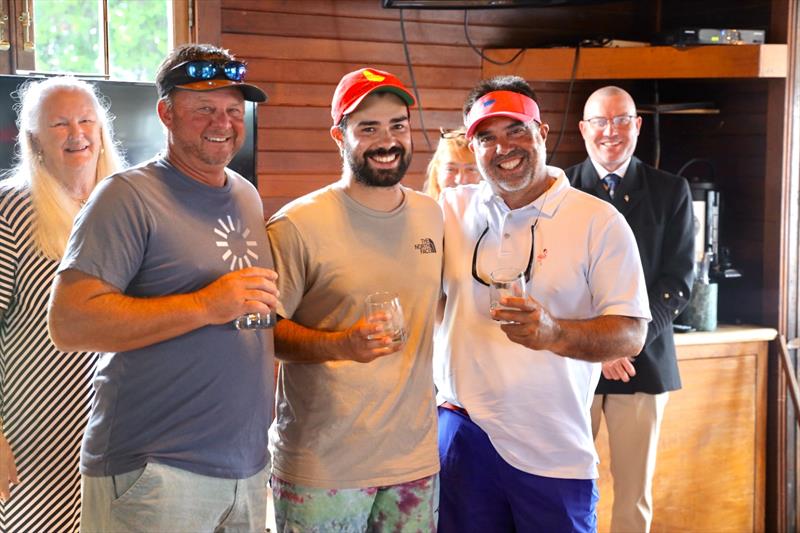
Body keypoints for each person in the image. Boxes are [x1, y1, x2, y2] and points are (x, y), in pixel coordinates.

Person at [47, 43, 278, 532]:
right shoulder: (127, 197)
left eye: (234, 110)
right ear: (166, 114)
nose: (223, 122)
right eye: (204, 109)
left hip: (246, 470)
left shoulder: (245, 193)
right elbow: (69, 323)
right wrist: (205, 305)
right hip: (156, 470)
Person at [433, 75, 652, 532]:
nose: (503, 147)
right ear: (471, 148)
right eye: (486, 137)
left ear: (543, 132)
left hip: (553, 447)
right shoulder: (448, 210)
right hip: (462, 434)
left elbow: (631, 333)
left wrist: (555, 333)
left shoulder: (598, 221)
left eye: (516, 129)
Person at [266, 67, 442, 532]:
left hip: (414, 463)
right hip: (323, 467)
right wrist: (340, 345)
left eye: (397, 126)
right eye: (368, 128)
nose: (387, 141)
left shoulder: (432, 217)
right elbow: (265, 333)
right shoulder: (297, 224)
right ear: (338, 136)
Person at [565, 85, 695, 533]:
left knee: (633, 497)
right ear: (584, 129)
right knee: (564, 487)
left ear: (637, 125)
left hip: (642, 366)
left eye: (621, 119)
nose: (611, 131)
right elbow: (553, 282)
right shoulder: (558, 188)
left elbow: (677, 284)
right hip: (573, 364)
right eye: (600, 121)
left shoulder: (671, 191)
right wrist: (596, 348)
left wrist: (624, 345)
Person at [0, 76, 124, 532]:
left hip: (123, 429)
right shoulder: (10, 210)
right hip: (35, 433)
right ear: (33, 139)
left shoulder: (130, 205)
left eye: (86, 120)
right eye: (59, 124)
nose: (77, 133)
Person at [423, 127, 480, 199]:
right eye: (450, 169)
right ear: (437, 171)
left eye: (471, 169)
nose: (460, 180)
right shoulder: (422, 209)